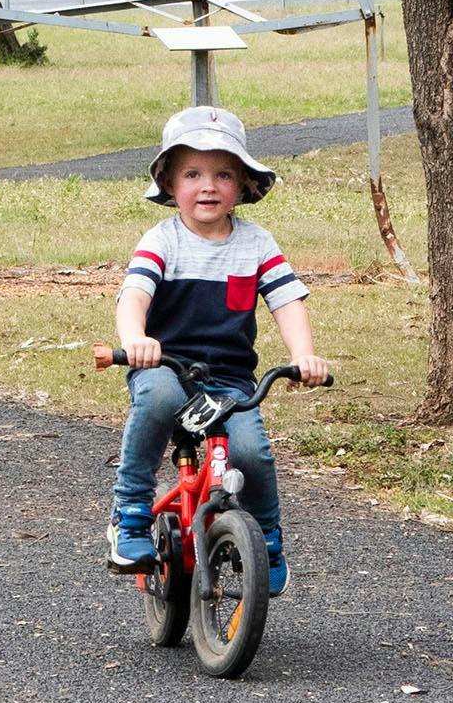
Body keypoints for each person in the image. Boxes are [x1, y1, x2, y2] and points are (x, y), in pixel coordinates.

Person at [107, 103, 331, 598]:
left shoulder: (256, 243)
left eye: (222, 174)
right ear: (169, 184)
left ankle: (267, 540)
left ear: (243, 185)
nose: (207, 185)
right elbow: (134, 296)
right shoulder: (162, 240)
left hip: (229, 378)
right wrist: (136, 340)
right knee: (160, 401)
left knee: (252, 452)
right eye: (192, 173)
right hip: (165, 365)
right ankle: (131, 513)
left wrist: (305, 355)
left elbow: (287, 300)